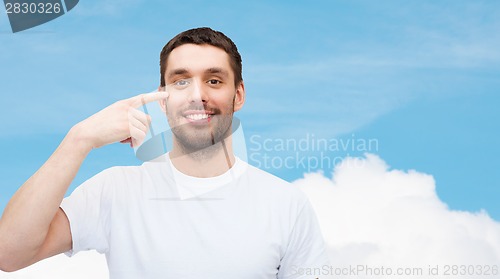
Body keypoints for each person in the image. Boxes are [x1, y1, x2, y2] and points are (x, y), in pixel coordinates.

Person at [0, 27, 329, 278]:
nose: (197, 96)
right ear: (162, 96)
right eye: (181, 81)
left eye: (214, 81)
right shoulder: (115, 191)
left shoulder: (286, 204)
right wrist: (79, 138)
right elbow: (9, 253)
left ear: (238, 95)